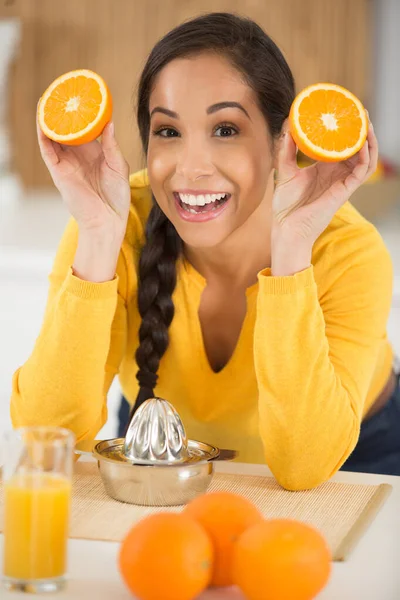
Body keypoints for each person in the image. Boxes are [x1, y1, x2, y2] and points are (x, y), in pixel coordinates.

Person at [10, 12, 399, 491]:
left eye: (226, 129)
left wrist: (293, 247)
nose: (191, 168)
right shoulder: (113, 223)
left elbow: (305, 464)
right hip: (162, 445)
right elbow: (49, 439)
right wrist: (96, 236)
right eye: (168, 132)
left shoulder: (347, 251)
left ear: (282, 140)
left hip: (358, 451)